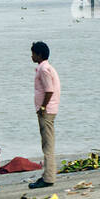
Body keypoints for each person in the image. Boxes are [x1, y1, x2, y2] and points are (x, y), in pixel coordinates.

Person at [30, 41, 61, 189]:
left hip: (46, 111)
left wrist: (43, 106)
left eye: (33, 53)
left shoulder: (44, 69)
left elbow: (49, 90)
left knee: (47, 144)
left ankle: (48, 178)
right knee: (48, 143)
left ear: (39, 54)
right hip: (48, 110)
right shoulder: (45, 68)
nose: (31, 56)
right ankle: (48, 175)